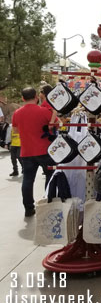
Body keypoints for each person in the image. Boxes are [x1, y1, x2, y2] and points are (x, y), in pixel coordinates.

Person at [12, 87, 54, 217]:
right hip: (44, 150)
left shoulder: (17, 113)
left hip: (26, 152)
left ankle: (29, 208)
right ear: (36, 97)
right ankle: (48, 201)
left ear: (23, 98)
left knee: (28, 180)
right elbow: (55, 123)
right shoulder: (44, 111)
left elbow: (15, 131)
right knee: (50, 175)